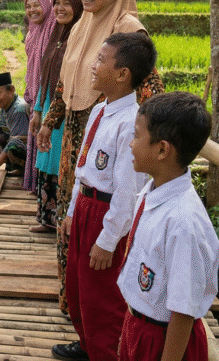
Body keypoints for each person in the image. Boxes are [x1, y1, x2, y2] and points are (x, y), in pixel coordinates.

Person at [54, 0, 165, 320]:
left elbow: (149, 89)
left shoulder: (127, 29)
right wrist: (50, 119)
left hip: (113, 139)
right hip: (79, 133)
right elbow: (66, 78)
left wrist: (145, 142)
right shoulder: (83, 24)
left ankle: (98, 319)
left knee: (102, 233)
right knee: (72, 216)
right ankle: (75, 307)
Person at [52, 31, 157, 361]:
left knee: (102, 296)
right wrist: (72, 210)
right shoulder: (100, 111)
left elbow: (127, 189)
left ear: (123, 75)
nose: (93, 66)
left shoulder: (132, 123)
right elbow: (83, 165)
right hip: (85, 205)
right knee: (78, 284)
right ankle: (86, 345)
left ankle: (105, 352)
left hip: (106, 212)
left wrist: (109, 239)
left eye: (100, 60)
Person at [119, 92, 219, 361]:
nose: (131, 144)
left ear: (162, 150)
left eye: (137, 136)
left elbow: (183, 311)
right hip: (140, 326)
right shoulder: (154, 191)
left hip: (162, 341)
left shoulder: (183, 223)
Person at [31, 0, 83, 233]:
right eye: (57, 3)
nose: (60, 8)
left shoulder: (79, 36)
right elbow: (46, 75)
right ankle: (46, 219)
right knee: (46, 160)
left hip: (66, 113)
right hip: (49, 107)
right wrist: (38, 110)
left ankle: (61, 222)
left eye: (67, 3)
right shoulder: (57, 35)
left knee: (59, 164)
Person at [22, 0, 55, 193]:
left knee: (45, 138)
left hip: (48, 93)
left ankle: (43, 188)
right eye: (28, 6)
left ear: (46, 4)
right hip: (34, 91)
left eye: (37, 5)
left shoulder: (52, 29)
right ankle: (35, 184)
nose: (32, 10)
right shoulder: (33, 29)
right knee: (36, 134)